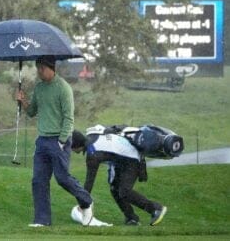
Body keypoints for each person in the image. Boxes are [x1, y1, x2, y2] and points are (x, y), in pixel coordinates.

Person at [16, 55, 94, 227]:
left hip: (59, 141)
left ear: (51, 68)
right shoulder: (39, 88)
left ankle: (86, 201)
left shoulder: (63, 88)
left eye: (41, 68)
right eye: (37, 68)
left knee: (62, 178)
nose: (39, 72)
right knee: (38, 181)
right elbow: (31, 112)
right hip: (42, 141)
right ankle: (42, 220)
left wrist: (61, 140)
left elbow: (69, 119)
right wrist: (23, 101)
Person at [70, 128, 167, 226]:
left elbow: (89, 181)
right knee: (115, 189)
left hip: (132, 159)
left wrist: (83, 204)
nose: (72, 151)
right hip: (121, 160)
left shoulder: (93, 154)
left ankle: (156, 209)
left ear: (76, 145)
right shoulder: (91, 135)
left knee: (125, 191)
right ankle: (131, 218)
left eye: (71, 147)